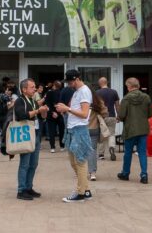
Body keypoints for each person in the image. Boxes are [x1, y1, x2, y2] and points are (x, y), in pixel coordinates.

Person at [56, 69, 93, 203]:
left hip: (79, 129)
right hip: (73, 129)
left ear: (77, 79)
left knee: (80, 162)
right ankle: (85, 190)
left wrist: (67, 109)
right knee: (75, 162)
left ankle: (80, 192)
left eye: (71, 81)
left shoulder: (83, 91)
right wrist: (65, 109)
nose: (69, 84)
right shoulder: (78, 91)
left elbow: (84, 114)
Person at [14, 78, 48, 201]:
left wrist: (43, 112)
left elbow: (40, 117)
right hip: (26, 135)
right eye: (32, 87)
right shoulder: (19, 101)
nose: (35, 89)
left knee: (33, 163)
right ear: (24, 89)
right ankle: (21, 190)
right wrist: (38, 110)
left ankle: (29, 187)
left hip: (36, 134)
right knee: (25, 164)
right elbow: (22, 115)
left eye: (34, 87)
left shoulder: (33, 101)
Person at [117, 76, 152, 184]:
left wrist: (120, 117)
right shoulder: (146, 97)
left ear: (129, 86)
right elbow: (150, 114)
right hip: (143, 129)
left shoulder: (126, 98)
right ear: (138, 86)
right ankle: (144, 174)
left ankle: (125, 173)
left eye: (127, 86)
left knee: (128, 152)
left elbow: (122, 115)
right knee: (142, 152)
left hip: (130, 129)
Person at [95, 77, 120, 161]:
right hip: (112, 115)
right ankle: (112, 148)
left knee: (102, 135)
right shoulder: (114, 92)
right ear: (107, 82)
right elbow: (117, 105)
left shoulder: (97, 92)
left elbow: (96, 106)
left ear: (100, 83)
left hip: (101, 116)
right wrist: (118, 115)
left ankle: (101, 154)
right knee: (112, 134)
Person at [86, 87, 108, 181]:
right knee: (92, 150)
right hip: (94, 127)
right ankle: (92, 172)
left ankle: (81, 171)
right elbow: (105, 112)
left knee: (80, 150)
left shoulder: (81, 99)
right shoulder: (97, 100)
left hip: (82, 128)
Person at [44, 81, 65, 152]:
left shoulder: (49, 93)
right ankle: (62, 146)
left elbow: (47, 103)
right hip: (60, 114)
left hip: (51, 115)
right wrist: (60, 112)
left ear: (54, 86)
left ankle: (52, 147)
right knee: (61, 131)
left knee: (51, 131)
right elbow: (63, 103)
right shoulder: (62, 92)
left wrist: (52, 112)